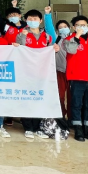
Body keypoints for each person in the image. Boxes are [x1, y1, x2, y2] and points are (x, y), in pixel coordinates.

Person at [15, 9, 58, 139]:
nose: (32, 21)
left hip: (42, 73)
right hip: (26, 72)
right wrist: (22, 36)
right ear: (26, 20)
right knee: (26, 99)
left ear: (40, 21)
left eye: (35, 19)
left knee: (40, 99)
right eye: (30, 19)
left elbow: (51, 50)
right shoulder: (21, 34)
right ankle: (28, 127)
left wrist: (55, 49)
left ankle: (38, 127)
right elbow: (19, 48)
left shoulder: (47, 37)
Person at [64, 15, 88, 143]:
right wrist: (77, 37)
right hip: (77, 77)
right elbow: (71, 50)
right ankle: (78, 129)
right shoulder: (69, 40)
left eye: (84, 25)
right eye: (78, 25)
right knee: (76, 104)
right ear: (73, 27)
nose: (81, 27)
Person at [44, 6, 72, 118]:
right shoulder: (56, 39)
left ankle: (72, 117)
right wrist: (47, 14)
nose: (63, 29)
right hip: (60, 71)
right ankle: (61, 115)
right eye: (60, 28)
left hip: (73, 73)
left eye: (65, 27)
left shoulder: (75, 39)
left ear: (70, 28)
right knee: (59, 95)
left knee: (72, 96)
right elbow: (49, 28)